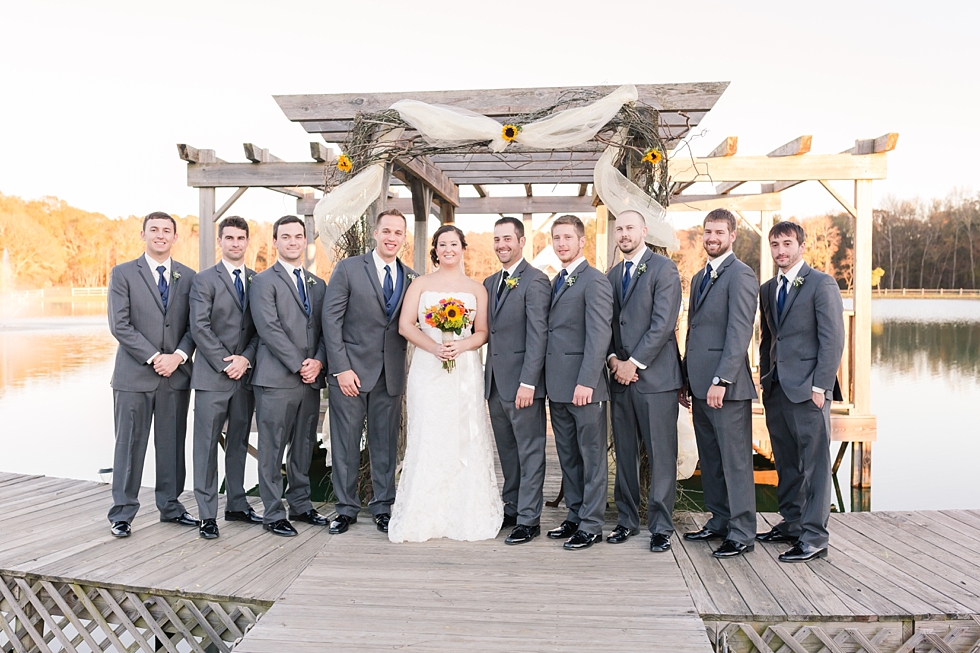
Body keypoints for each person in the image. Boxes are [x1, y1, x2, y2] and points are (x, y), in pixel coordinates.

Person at [389, 224, 503, 542]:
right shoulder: (421, 284)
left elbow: (481, 333)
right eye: (442, 244)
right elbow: (405, 325)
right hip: (428, 369)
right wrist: (435, 347)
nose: (448, 249)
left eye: (454, 244)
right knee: (429, 434)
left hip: (464, 369)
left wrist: (460, 346)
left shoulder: (477, 288)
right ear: (435, 250)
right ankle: (422, 512)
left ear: (463, 248)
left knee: (465, 435)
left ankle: (466, 510)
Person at [322, 209, 416, 535]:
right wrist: (341, 369)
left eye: (398, 233)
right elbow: (330, 321)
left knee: (385, 445)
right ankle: (345, 510)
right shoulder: (348, 269)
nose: (392, 237)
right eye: (386, 231)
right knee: (345, 444)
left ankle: (382, 508)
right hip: (351, 372)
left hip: (390, 374)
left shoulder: (412, 278)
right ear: (375, 234)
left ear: (404, 238)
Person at [106, 212, 197, 537]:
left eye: (167, 231)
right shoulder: (123, 274)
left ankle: (171, 507)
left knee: (172, 444)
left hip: (176, 375)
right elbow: (120, 325)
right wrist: (154, 356)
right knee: (129, 444)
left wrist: (178, 356)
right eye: (154, 230)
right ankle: (122, 513)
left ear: (175, 238)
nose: (160, 235)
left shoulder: (188, 277)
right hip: (134, 376)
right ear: (142, 234)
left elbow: (193, 326)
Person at [758, 221, 844, 562]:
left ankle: (815, 536)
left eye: (787, 244)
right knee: (787, 462)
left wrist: (821, 385)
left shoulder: (821, 284)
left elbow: (833, 339)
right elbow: (768, 340)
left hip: (810, 391)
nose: (781, 250)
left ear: (801, 246)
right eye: (775, 244)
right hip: (777, 389)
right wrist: (766, 379)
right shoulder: (768, 289)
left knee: (815, 465)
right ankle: (792, 523)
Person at [680, 208, 759, 558]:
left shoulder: (741, 275)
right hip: (698, 384)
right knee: (710, 458)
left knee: (735, 460)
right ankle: (719, 520)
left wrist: (721, 379)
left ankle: (742, 531)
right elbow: (694, 332)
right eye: (707, 232)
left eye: (719, 232)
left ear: (732, 235)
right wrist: (686, 377)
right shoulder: (699, 277)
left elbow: (739, 331)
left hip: (726, 387)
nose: (712, 238)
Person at [605, 210, 684, 553]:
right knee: (625, 453)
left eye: (629, 228)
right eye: (619, 229)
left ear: (644, 231)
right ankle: (626, 520)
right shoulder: (610, 276)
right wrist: (613, 361)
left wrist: (633, 363)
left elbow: (664, 323)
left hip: (656, 378)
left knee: (661, 454)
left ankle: (661, 526)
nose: (624, 234)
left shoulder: (664, 269)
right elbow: (604, 325)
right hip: (620, 378)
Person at [250, 215, 328, 537]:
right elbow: (269, 328)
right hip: (276, 379)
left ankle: (300, 504)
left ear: (305, 241)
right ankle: (272, 513)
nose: (293, 242)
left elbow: (325, 330)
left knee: (303, 446)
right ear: (275, 242)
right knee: (271, 448)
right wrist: (300, 364)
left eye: (298, 236)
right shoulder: (263, 282)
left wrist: (319, 362)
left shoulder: (318, 284)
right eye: (286, 236)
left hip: (310, 380)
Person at [189, 216, 262, 540]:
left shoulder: (258, 280)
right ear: (220, 241)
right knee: (205, 446)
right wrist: (225, 362)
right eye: (229, 238)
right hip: (211, 377)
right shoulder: (204, 280)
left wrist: (245, 359)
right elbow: (199, 327)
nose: (235, 243)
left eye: (240, 238)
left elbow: (262, 327)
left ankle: (236, 503)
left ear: (247, 242)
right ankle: (207, 514)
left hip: (244, 377)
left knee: (238, 442)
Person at [544, 215, 614, 551]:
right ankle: (574, 514)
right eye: (556, 238)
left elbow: (600, 335)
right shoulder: (557, 279)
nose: (561, 244)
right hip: (557, 387)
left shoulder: (594, 281)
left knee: (591, 457)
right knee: (568, 456)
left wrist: (587, 380)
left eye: (567, 238)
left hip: (584, 387)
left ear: (582, 241)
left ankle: (591, 524)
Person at [483, 217, 550, 545]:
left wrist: (529, 382)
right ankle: (512, 507)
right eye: (497, 239)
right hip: (494, 384)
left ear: (522, 242)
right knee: (507, 451)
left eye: (507, 239)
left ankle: (529, 518)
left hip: (523, 385)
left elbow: (539, 335)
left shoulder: (536, 281)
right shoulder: (490, 281)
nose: (501, 245)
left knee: (530, 450)